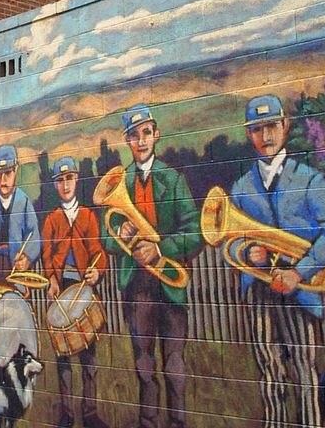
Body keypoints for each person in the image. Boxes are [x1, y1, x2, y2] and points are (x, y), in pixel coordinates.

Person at [227, 95, 325, 427]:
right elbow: (233, 244)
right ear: (249, 134)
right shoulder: (241, 187)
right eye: (257, 129)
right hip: (262, 292)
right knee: (269, 369)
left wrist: (300, 270)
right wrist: (250, 254)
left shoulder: (308, 180)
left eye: (272, 126)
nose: (266, 136)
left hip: (299, 290)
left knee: (305, 369)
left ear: (285, 127)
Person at [100, 104, 202, 428]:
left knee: (173, 364)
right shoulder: (123, 180)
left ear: (156, 134)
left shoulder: (173, 180)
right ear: (127, 141)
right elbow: (106, 239)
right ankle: (148, 422)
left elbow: (194, 231)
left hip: (169, 283)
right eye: (134, 135)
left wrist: (159, 247)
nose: (141, 141)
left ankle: (177, 422)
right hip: (138, 288)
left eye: (146, 133)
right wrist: (122, 234)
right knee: (144, 364)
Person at [41, 157, 109, 428]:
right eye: (60, 180)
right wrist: (51, 280)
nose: (65, 184)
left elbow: (98, 252)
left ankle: (90, 413)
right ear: (56, 185)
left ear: (76, 180)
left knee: (89, 356)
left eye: (69, 179)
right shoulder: (52, 219)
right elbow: (47, 255)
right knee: (64, 357)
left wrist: (97, 271)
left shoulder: (89, 216)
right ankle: (67, 415)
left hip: (83, 289)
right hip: (62, 289)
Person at [0, 144, 40, 283]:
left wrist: (27, 259)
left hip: (15, 269)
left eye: (8, 173)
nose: (3, 180)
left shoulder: (23, 201)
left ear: (16, 170)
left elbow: (34, 235)